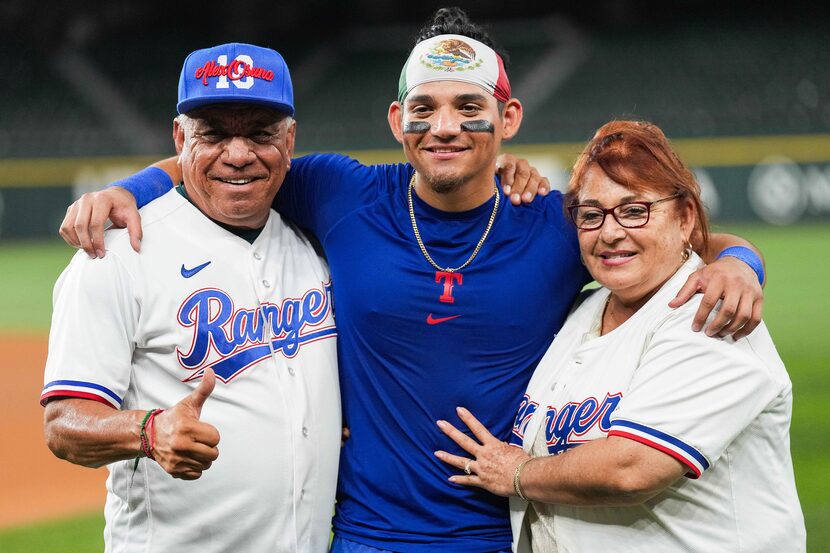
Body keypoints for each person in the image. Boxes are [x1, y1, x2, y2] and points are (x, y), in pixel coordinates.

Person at [59, 9, 767, 553]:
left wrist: (740, 262)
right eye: (424, 108)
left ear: (508, 117)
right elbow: (230, 157)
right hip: (363, 535)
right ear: (397, 119)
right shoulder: (340, 192)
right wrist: (129, 187)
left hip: (507, 535)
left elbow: (683, 238)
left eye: (468, 108)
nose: (445, 126)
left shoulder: (556, 224)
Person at [435, 120, 805, 552]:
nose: (610, 232)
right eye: (591, 215)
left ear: (685, 218)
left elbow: (632, 469)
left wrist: (517, 473)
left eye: (634, 211)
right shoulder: (581, 309)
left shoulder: (710, 316)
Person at [42, 43, 340, 553]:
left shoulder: (317, 239)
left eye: (261, 133)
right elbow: (63, 423)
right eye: (215, 133)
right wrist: (148, 431)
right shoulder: (117, 255)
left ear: (290, 141)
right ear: (180, 138)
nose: (239, 152)